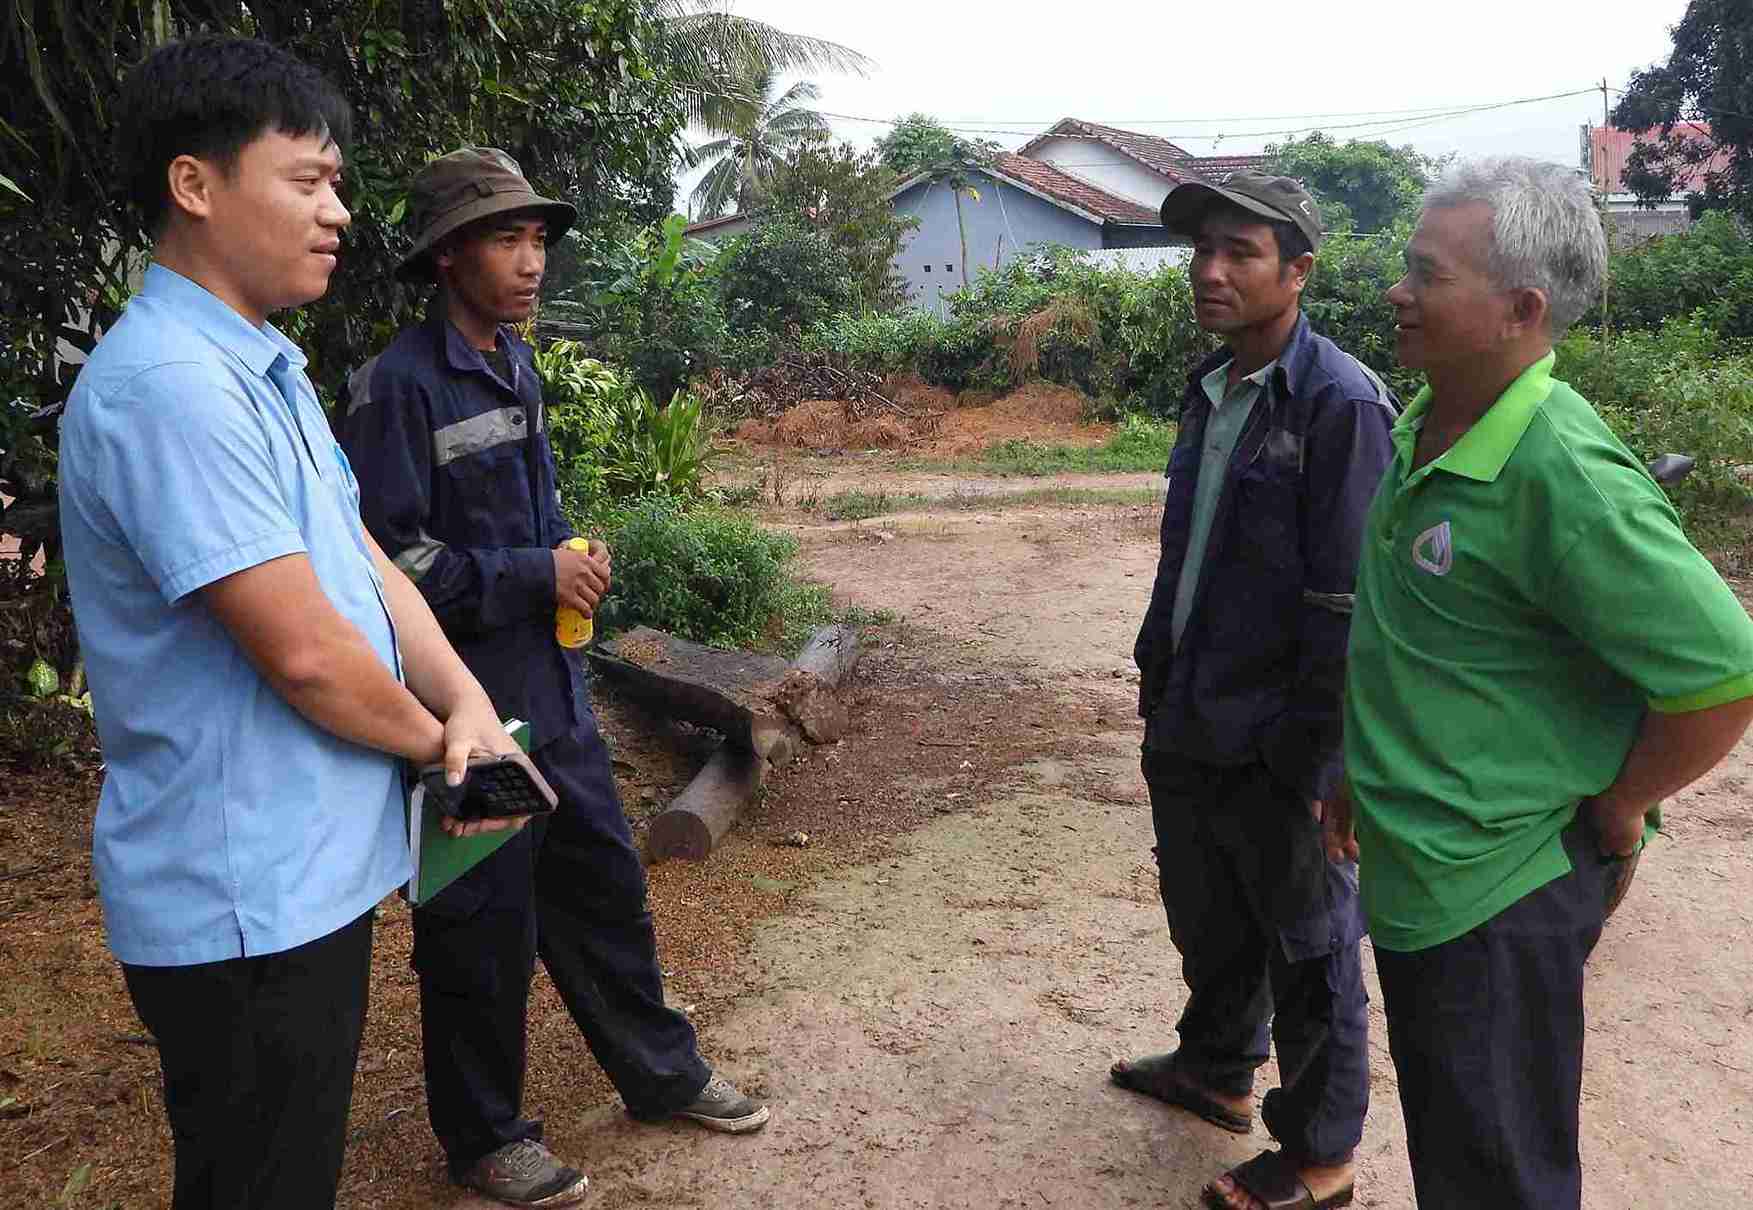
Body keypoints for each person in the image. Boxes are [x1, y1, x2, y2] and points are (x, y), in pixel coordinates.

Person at [56, 37, 522, 1210]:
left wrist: (461, 696)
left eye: (338, 185)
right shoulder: (167, 384)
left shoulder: (260, 365)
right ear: (195, 184)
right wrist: (446, 745)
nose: (339, 214)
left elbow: (363, 564)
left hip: (297, 881)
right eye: (307, 181)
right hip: (239, 902)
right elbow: (307, 654)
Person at [334, 147, 768, 1207]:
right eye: (503, 237)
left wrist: (570, 560)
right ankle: (486, 1136)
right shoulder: (398, 388)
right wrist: (536, 570)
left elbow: (520, 524)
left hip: (554, 693)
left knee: (603, 887)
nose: (531, 260)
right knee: (481, 923)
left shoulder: (516, 363)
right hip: (470, 717)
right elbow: (384, 563)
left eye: (537, 239)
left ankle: (660, 1074)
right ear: (447, 256)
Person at [1326, 156, 1753, 1209]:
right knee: (1458, 1152)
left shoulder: (1559, 469)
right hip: (1425, 872)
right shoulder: (1428, 416)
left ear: (1520, 309)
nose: (1396, 291)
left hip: (1499, 895)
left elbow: (1723, 674)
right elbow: (1420, 636)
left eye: (1425, 273)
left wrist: (1618, 803)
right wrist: (1358, 763)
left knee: (1499, 1176)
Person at [1118, 172, 1396, 1210]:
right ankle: (1216, 1066)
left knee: (1311, 943)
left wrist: (1324, 761)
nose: (1209, 270)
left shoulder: (1341, 402)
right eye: (1200, 251)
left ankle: (1320, 1156)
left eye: (1238, 252)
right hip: (1191, 707)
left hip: (1284, 737)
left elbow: (1349, 602)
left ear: (1299, 271)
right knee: (1207, 908)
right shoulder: (1212, 386)